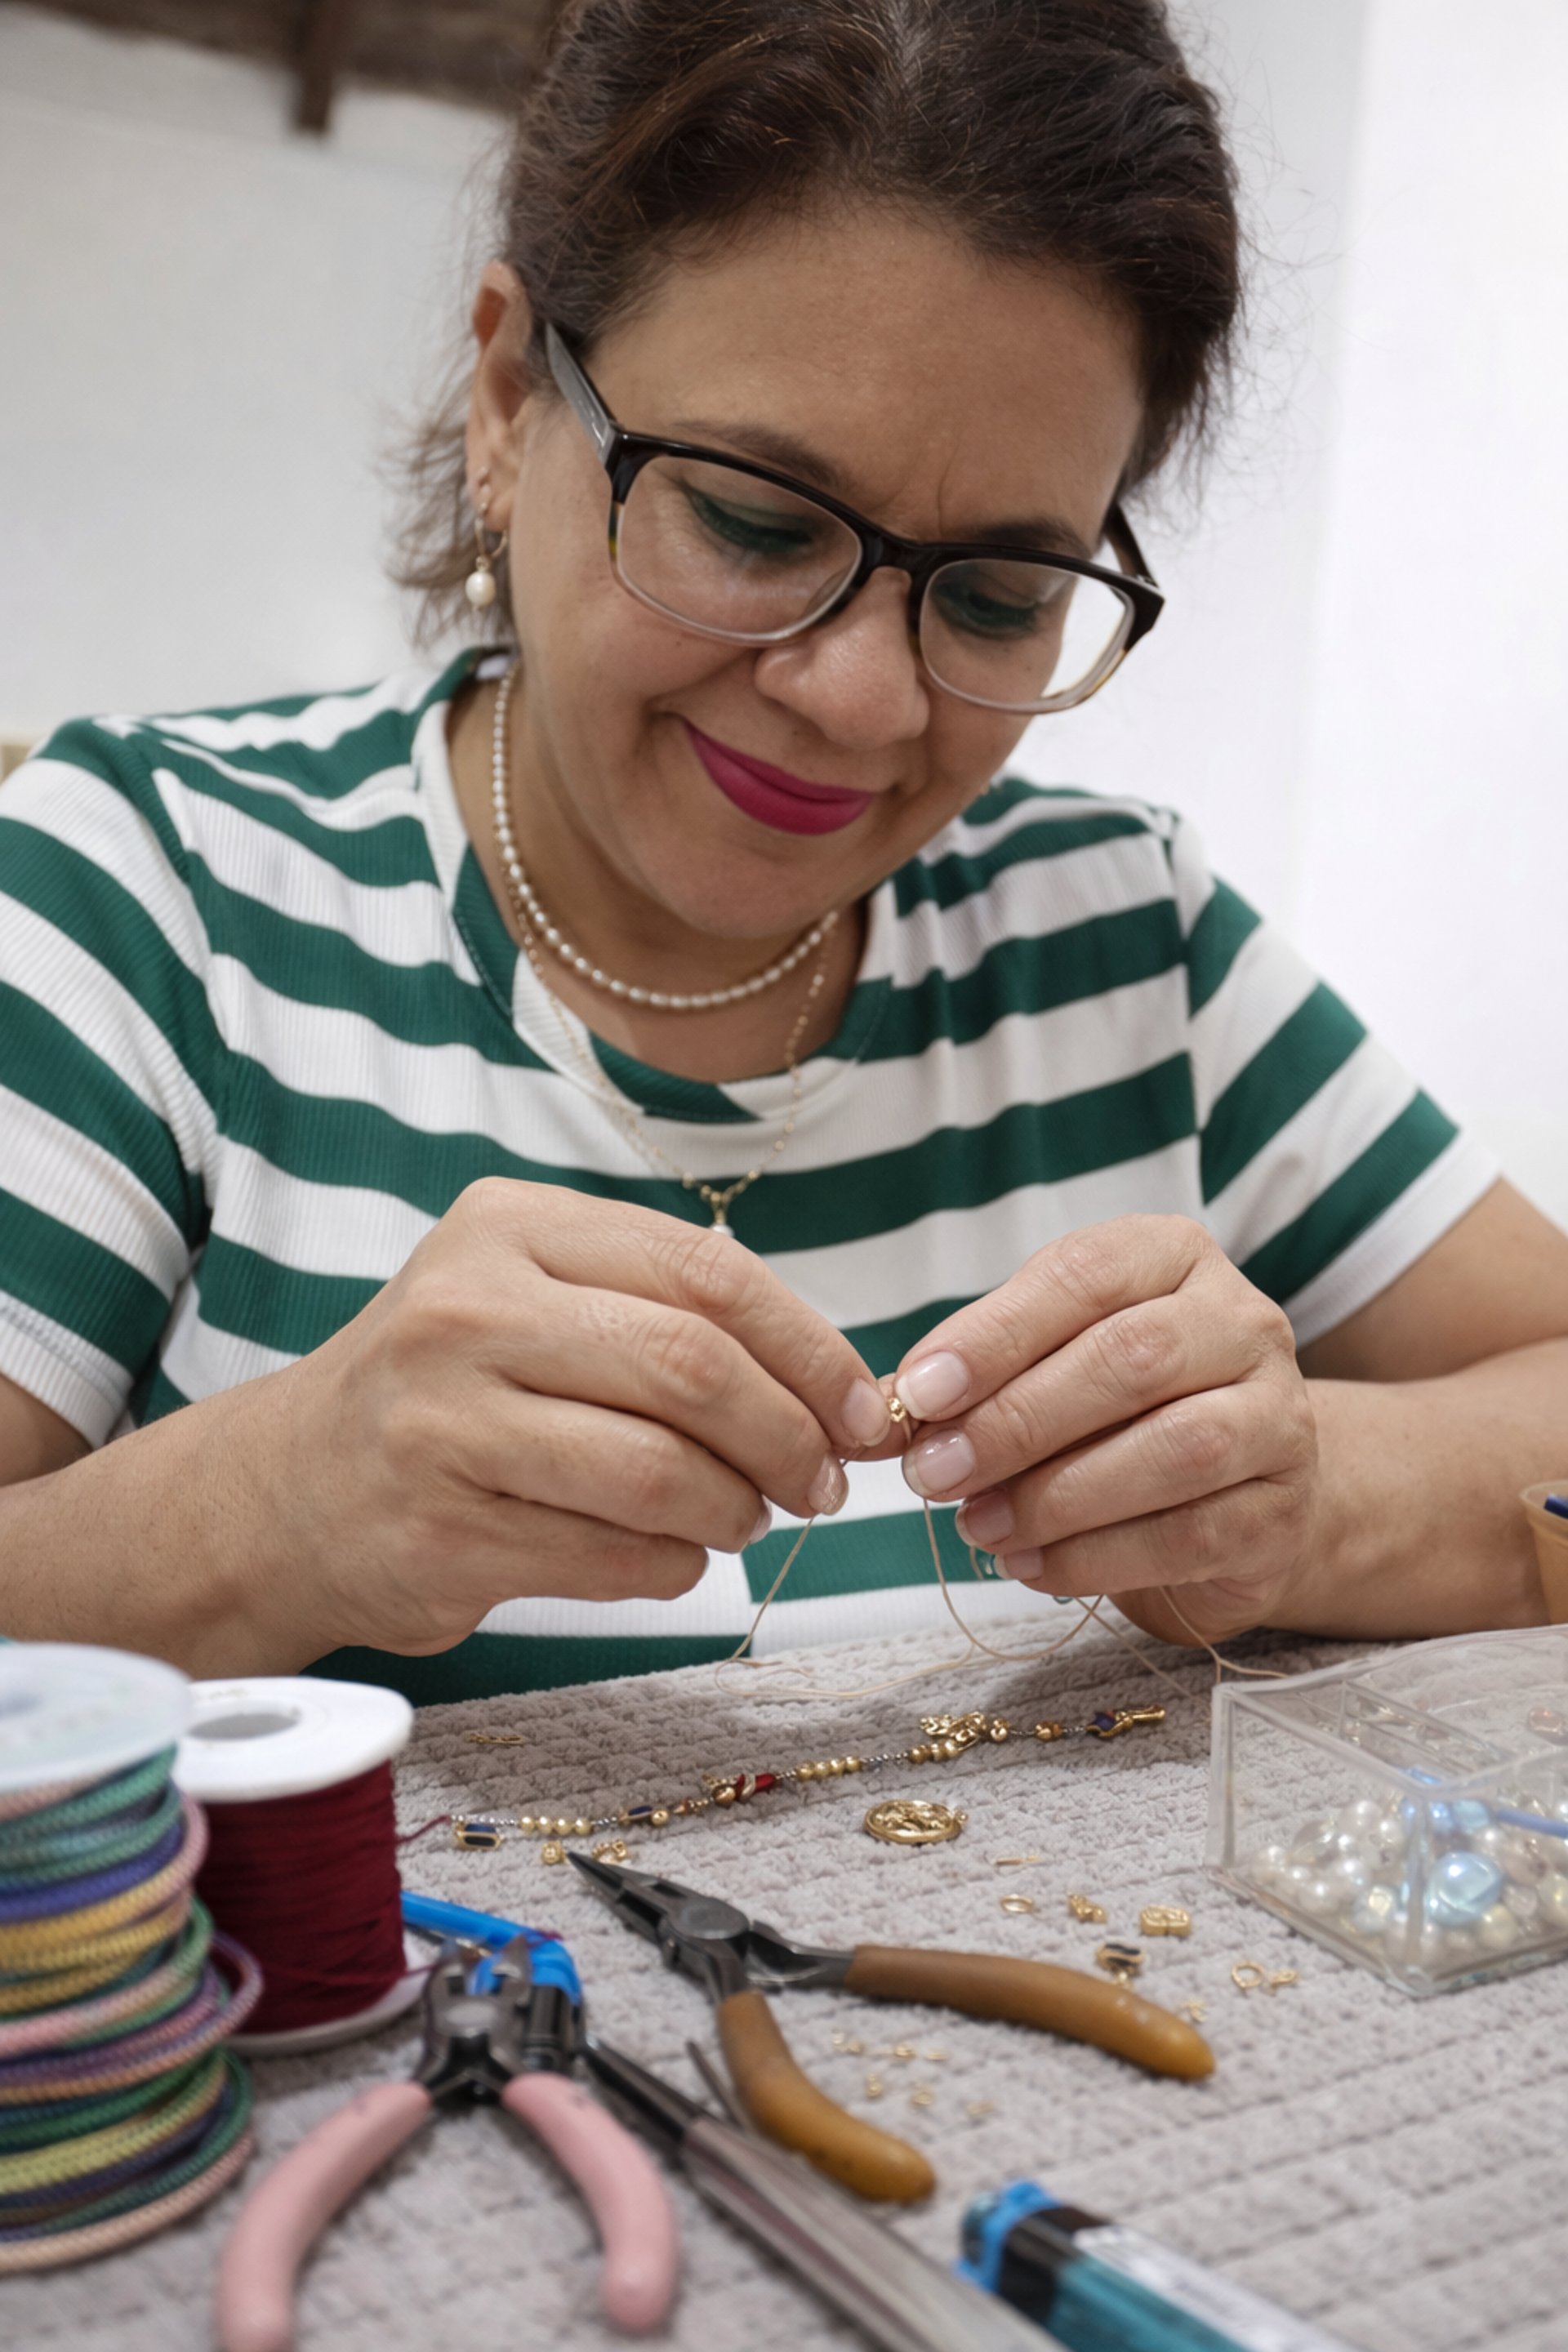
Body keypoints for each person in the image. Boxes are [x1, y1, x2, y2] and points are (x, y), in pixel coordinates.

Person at [2, 0, 1565, 1707]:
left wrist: (1315, 1498)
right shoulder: (142, 894)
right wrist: (277, 1505)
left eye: (1000, 595)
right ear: (514, 398)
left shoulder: (1127, 942)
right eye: (752, 522)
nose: (862, 698)